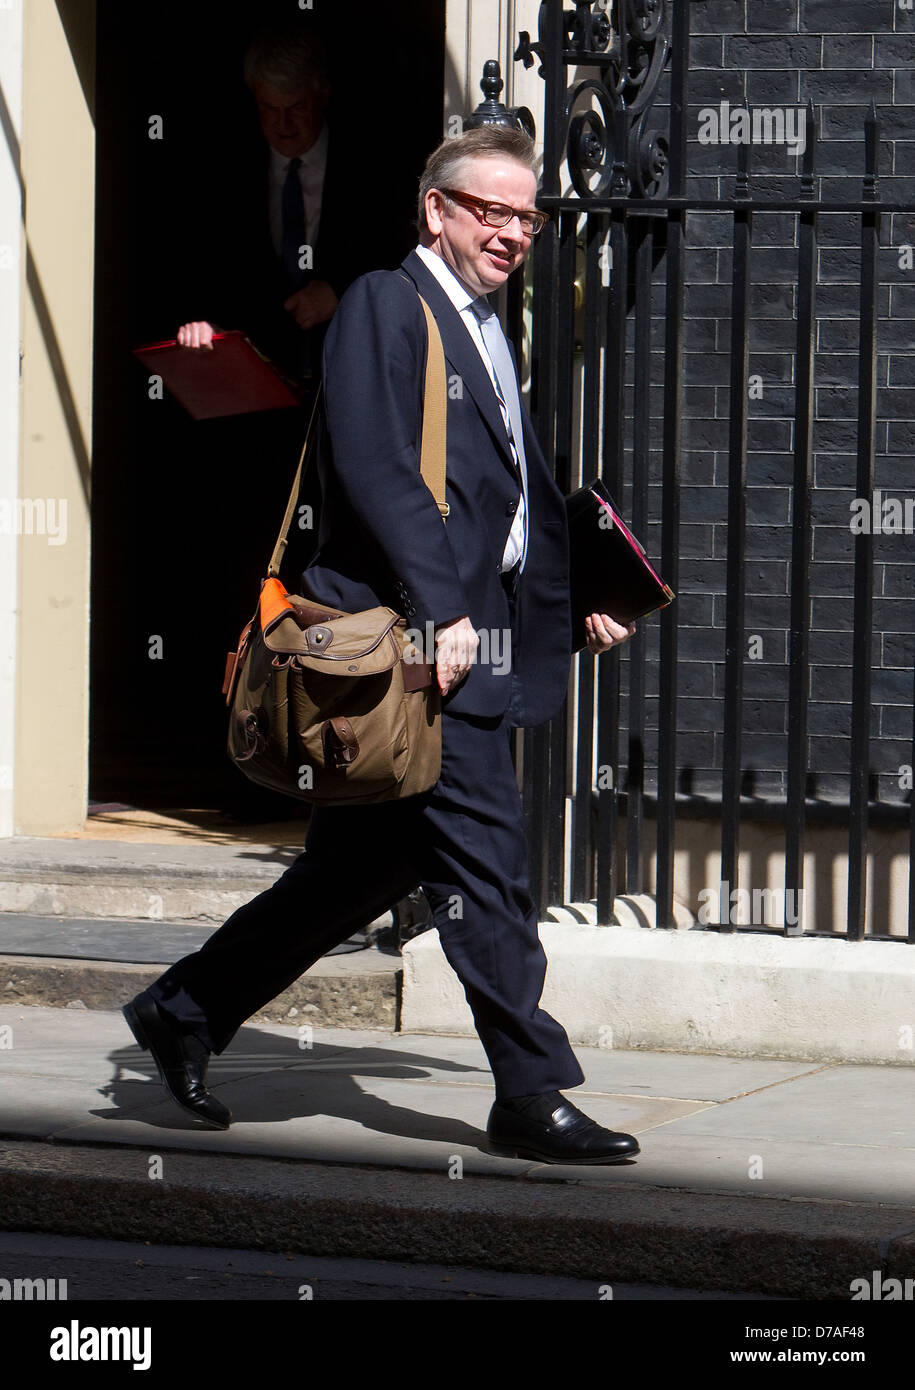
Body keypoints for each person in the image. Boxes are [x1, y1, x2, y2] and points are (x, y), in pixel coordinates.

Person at [123, 124, 640, 1165]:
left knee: (356, 873)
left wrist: (575, 591)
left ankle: (187, 1006)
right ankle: (530, 1091)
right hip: (420, 649)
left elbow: (513, 494)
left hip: (471, 638)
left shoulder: (489, 327)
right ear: (435, 210)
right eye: (488, 209)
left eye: (525, 215)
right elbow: (377, 467)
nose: (510, 231)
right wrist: (446, 611)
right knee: (488, 867)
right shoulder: (383, 305)